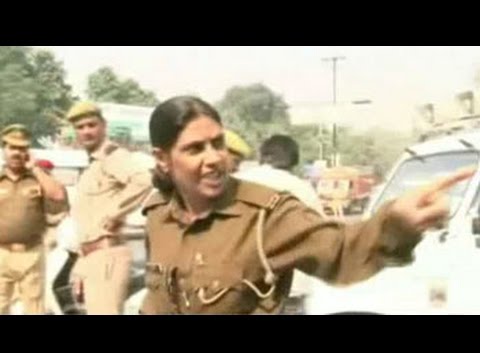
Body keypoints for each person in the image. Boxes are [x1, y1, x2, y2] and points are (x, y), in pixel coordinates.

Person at [141, 96, 474, 315]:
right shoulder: (158, 216)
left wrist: (396, 223)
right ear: (163, 159)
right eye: (195, 149)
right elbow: (157, 300)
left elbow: (342, 250)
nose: (214, 159)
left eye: (217, 144)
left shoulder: (264, 216)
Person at [66, 101, 153, 315]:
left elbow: (143, 180)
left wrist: (114, 212)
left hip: (107, 254)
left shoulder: (112, 156)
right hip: (90, 255)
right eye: (80, 127)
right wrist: (81, 259)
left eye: (91, 125)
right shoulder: (92, 165)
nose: (86, 131)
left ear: (103, 126)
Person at [235, 134, 326, 313]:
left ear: (263, 156)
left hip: (241, 286)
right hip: (291, 288)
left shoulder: (237, 183)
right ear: (294, 161)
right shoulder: (303, 190)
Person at [0, 125, 68, 315]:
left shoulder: (38, 177)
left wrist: (35, 169)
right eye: (12, 147)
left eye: (22, 148)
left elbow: (58, 196)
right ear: (4, 149)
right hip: (1, 253)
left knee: (34, 307)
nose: (16, 153)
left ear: (28, 151)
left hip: (31, 253)